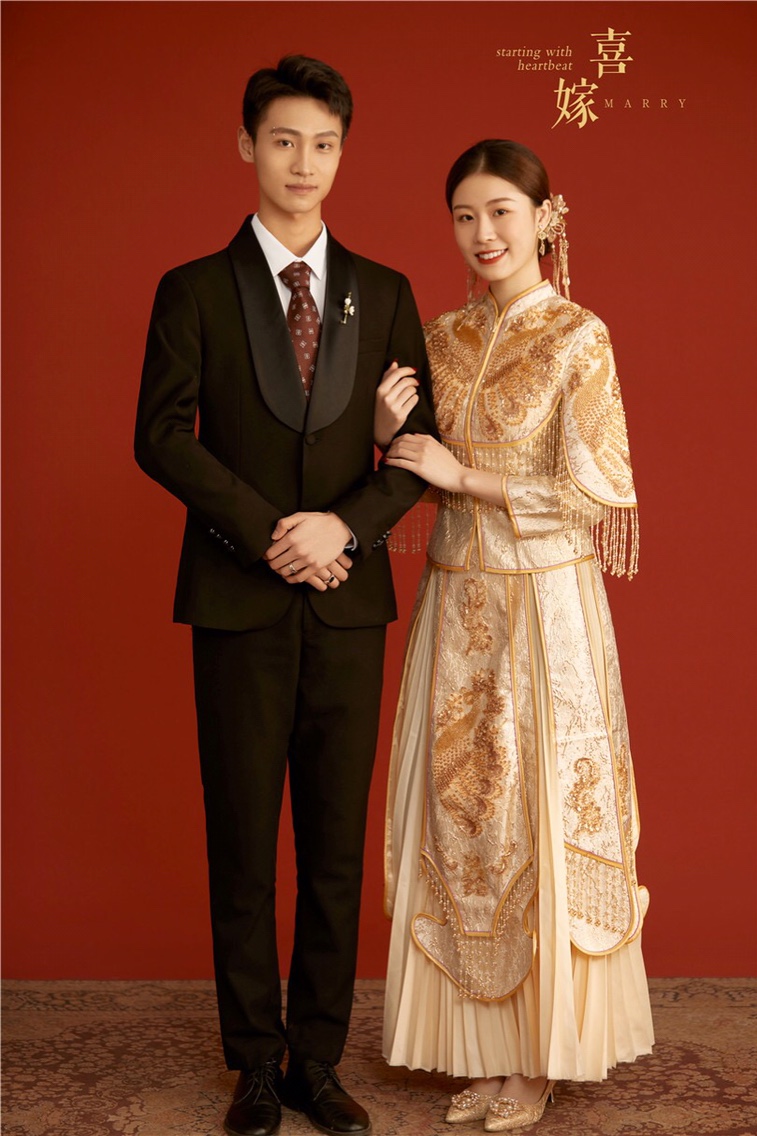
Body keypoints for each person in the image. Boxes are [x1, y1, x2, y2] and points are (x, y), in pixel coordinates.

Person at [135, 55, 435, 1136]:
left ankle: (318, 1058)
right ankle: (254, 1062)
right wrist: (274, 532)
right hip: (238, 599)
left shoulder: (383, 291)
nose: (304, 163)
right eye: (283, 141)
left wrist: (343, 527)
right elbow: (160, 436)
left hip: (348, 602)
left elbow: (420, 447)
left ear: (342, 153)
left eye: (323, 144)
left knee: (334, 848)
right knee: (243, 842)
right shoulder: (193, 289)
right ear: (246, 147)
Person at [377, 139, 653, 1132]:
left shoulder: (578, 336)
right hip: (457, 606)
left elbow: (593, 491)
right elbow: (415, 470)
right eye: (464, 215)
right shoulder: (441, 337)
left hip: (546, 612)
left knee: (537, 810)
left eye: (500, 210)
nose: (482, 232)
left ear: (545, 217)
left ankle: (539, 1058)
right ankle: (484, 1051)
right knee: (467, 812)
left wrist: (463, 477)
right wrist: (388, 432)